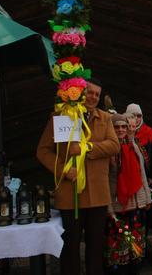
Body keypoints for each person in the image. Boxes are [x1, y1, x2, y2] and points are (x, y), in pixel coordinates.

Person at [36, 78, 120, 275]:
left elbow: (114, 145)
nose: (93, 97)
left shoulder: (105, 118)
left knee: (95, 247)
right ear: (80, 93)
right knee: (70, 248)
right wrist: (63, 169)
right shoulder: (61, 117)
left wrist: (87, 147)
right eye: (90, 92)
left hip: (98, 195)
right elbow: (43, 151)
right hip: (69, 194)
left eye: (97, 95)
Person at [104, 113, 151, 274]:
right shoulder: (108, 149)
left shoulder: (133, 145)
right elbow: (105, 180)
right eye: (117, 127)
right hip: (118, 204)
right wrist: (109, 208)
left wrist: (147, 198)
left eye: (124, 126)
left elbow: (141, 173)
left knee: (135, 244)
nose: (121, 129)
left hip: (136, 201)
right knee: (119, 243)